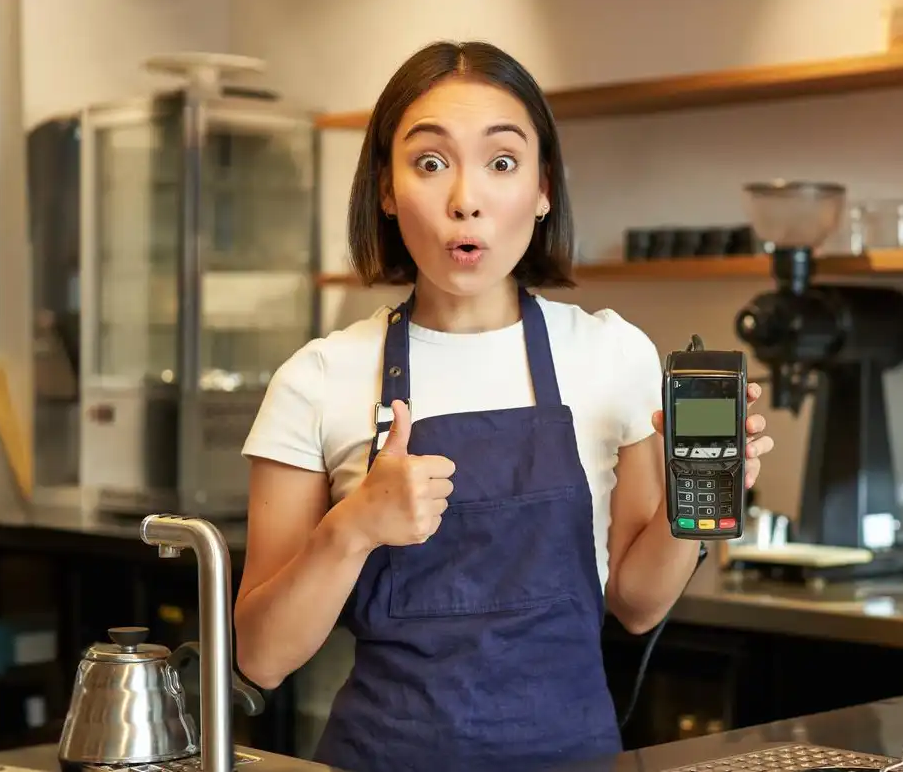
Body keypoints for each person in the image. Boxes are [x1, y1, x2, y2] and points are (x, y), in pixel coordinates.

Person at [231, 40, 774, 772]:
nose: (466, 199)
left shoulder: (613, 355)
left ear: (543, 189)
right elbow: (261, 657)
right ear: (386, 190)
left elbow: (637, 602)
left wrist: (693, 504)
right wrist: (352, 528)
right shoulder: (319, 378)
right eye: (430, 162)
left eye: (502, 161)